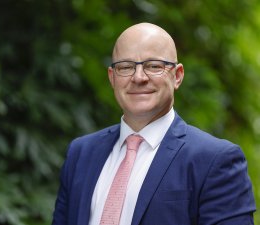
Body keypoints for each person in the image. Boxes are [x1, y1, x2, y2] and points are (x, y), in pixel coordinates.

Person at [51, 22, 256, 225]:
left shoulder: (215, 161)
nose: (139, 77)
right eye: (126, 67)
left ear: (177, 76)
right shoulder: (81, 153)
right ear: (112, 78)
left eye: (154, 66)